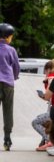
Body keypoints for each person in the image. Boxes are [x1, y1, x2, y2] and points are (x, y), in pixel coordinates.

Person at [0, 23, 20, 151]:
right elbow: (16, 67)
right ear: (7, 37)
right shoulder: (11, 50)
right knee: (8, 110)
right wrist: (14, 76)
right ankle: (7, 138)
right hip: (7, 83)